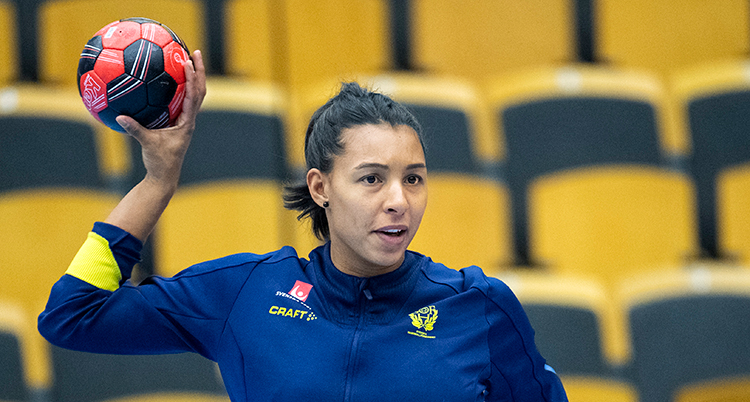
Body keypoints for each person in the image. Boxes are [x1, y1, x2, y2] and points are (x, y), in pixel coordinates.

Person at [39, 49, 568, 401]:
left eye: (413, 179)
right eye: (371, 179)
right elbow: (71, 315)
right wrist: (156, 185)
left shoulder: (478, 307)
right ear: (320, 188)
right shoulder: (245, 293)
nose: (397, 201)